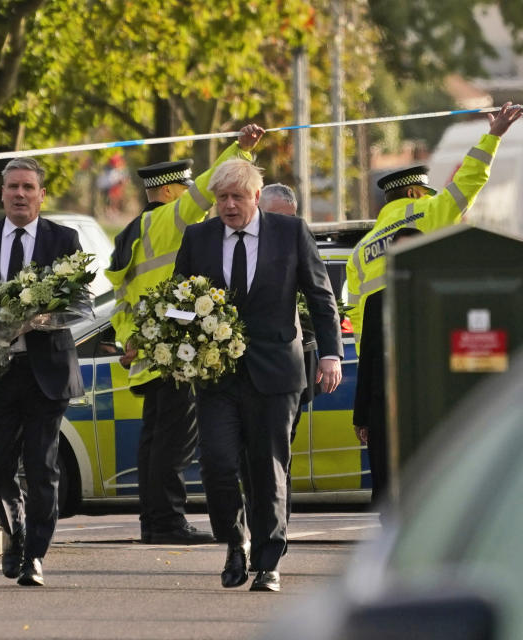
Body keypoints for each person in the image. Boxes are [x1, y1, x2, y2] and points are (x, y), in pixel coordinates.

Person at [174, 159, 343, 593]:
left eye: (236, 197)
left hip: (276, 371)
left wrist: (331, 355)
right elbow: (179, 298)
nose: (228, 206)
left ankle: (269, 561)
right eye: (220, 198)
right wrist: (173, 341)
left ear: (255, 196)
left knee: (269, 471)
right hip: (217, 375)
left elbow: (320, 296)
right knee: (217, 463)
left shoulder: (290, 232)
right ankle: (235, 542)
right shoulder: (198, 237)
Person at [106, 124, 264, 545]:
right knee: (174, 444)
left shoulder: (129, 233)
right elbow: (210, 187)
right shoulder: (169, 219)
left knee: (154, 443)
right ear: (173, 191)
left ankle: (154, 521)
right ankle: (167, 522)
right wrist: (242, 152)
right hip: (176, 353)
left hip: (146, 352)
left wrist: (129, 339)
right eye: (188, 189)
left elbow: (120, 302)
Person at [0, 157, 83, 587]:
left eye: (28, 187)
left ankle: (34, 556)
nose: (20, 194)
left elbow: (75, 302)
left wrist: (43, 319)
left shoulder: (63, 239)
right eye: (13, 187)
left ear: (41, 195)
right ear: (2, 193)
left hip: (46, 371)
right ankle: (16, 533)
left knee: (43, 464)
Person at [347, 102, 523, 352]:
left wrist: (369, 360)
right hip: (425, 339)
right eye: (426, 193)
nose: (432, 197)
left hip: (380, 354)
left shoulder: (360, 250)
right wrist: (493, 136)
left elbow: (356, 315)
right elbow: (468, 180)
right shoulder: (427, 213)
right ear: (412, 192)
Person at [258, 183, 316, 528]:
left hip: (286, 369)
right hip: (243, 369)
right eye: (276, 217)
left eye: (289, 219)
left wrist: (330, 355)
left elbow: (320, 297)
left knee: (280, 457)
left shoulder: (296, 241)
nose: (284, 226)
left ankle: (277, 532)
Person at [352, 226, 423, 506]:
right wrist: (361, 417)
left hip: (419, 408)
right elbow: (367, 359)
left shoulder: (431, 295)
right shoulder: (376, 301)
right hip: (384, 407)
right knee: (386, 486)